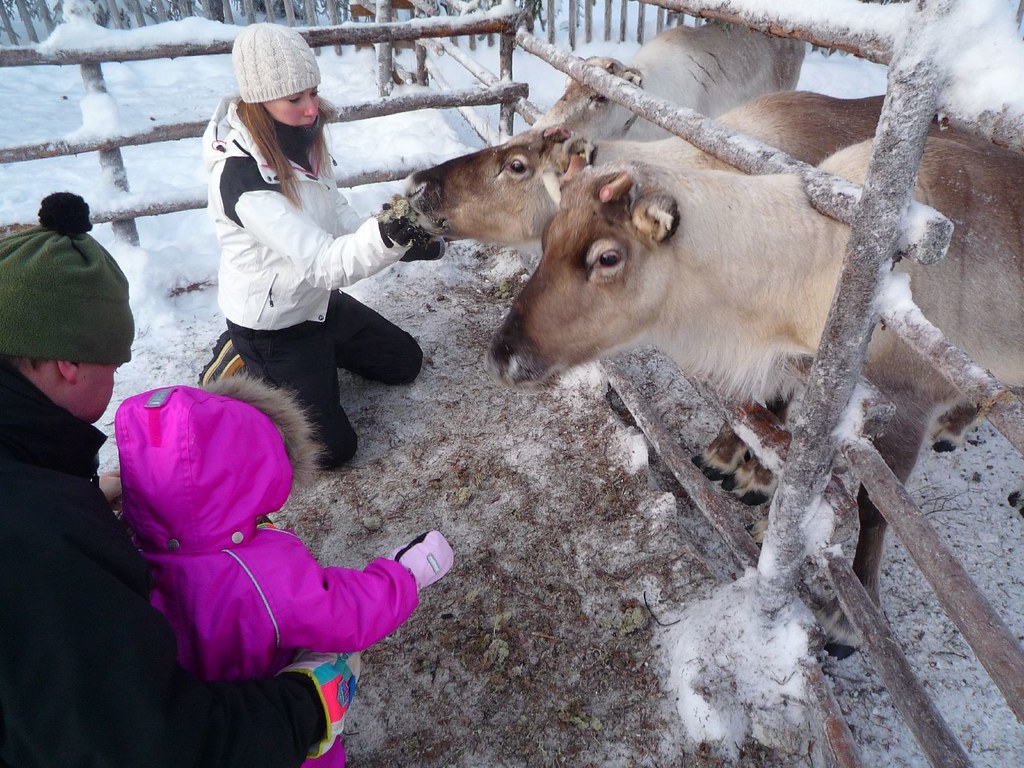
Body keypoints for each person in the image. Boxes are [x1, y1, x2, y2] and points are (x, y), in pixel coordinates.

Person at [0, 191, 358, 767]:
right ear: (68, 363)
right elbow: (151, 745)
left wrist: (83, 497)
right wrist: (306, 705)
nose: (118, 377)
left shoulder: (36, 492)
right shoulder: (40, 545)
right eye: (114, 364)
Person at [113, 374, 454, 767]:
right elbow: (344, 612)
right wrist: (405, 573)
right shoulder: (262, 572)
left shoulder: (118, 551)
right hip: (275, 735)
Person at [203, 22, 444, 469]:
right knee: (331, 452)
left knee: (405, 362)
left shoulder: (300, 140)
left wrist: (406, 241)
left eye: (313, 92)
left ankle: (315, 364)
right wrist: (390, 234)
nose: (312, 109)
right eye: (295, 99)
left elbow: (337, 216)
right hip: (273, 326)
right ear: (259, 99)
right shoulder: (243, 178)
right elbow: (322, 264)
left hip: (316, 304)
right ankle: (239, 355)